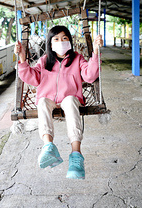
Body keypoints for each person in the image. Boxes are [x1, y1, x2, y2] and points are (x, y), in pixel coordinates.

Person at [15, 26, 102, 179]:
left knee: (69, 101)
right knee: (41, 102)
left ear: (69, 41)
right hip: (48, 98)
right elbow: (32, 78)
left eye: (64, 38)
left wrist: (95, 52)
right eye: (56, 39)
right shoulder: (44, 61)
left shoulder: (77, 58)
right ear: (50, 43)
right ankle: (48, 146)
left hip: (70, 97)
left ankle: (76, 155)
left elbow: (89, 75)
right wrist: (22, 59)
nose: (60, 42)